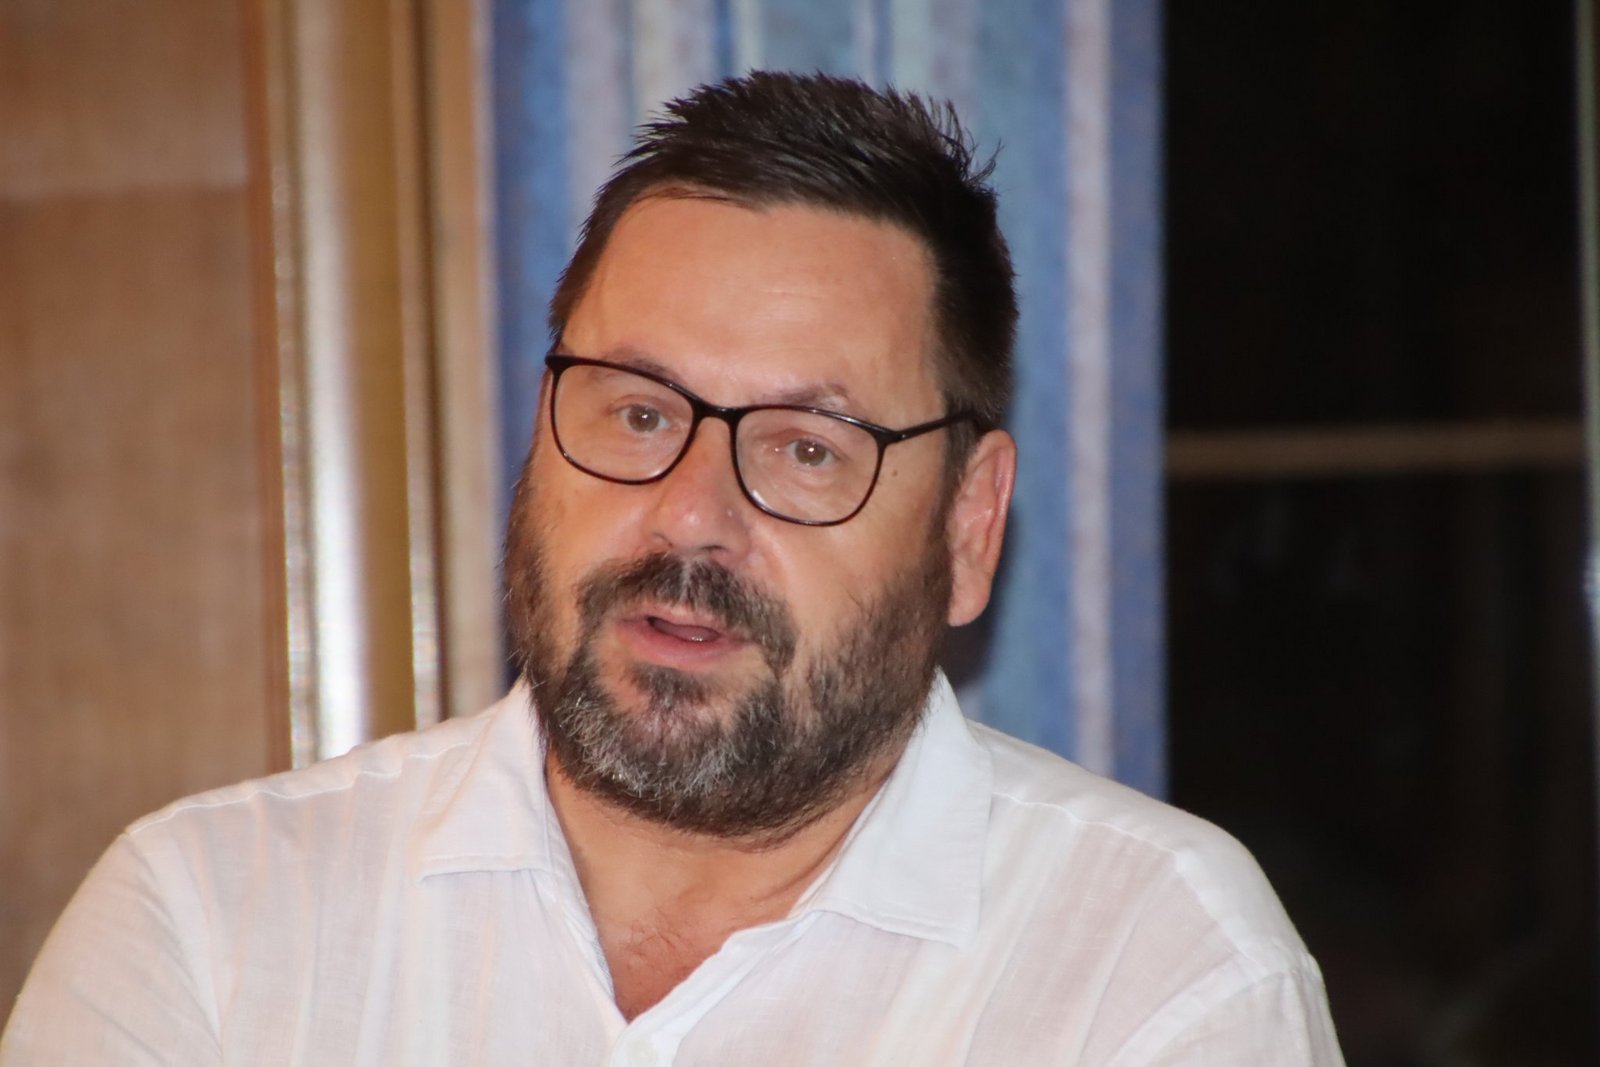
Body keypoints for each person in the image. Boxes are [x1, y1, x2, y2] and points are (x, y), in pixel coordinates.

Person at [2, 71, 1343, 1064]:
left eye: (806, 449)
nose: (690, 516)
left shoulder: (1153, 971)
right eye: (639, 414)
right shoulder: (210, 928)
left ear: (968, 528)